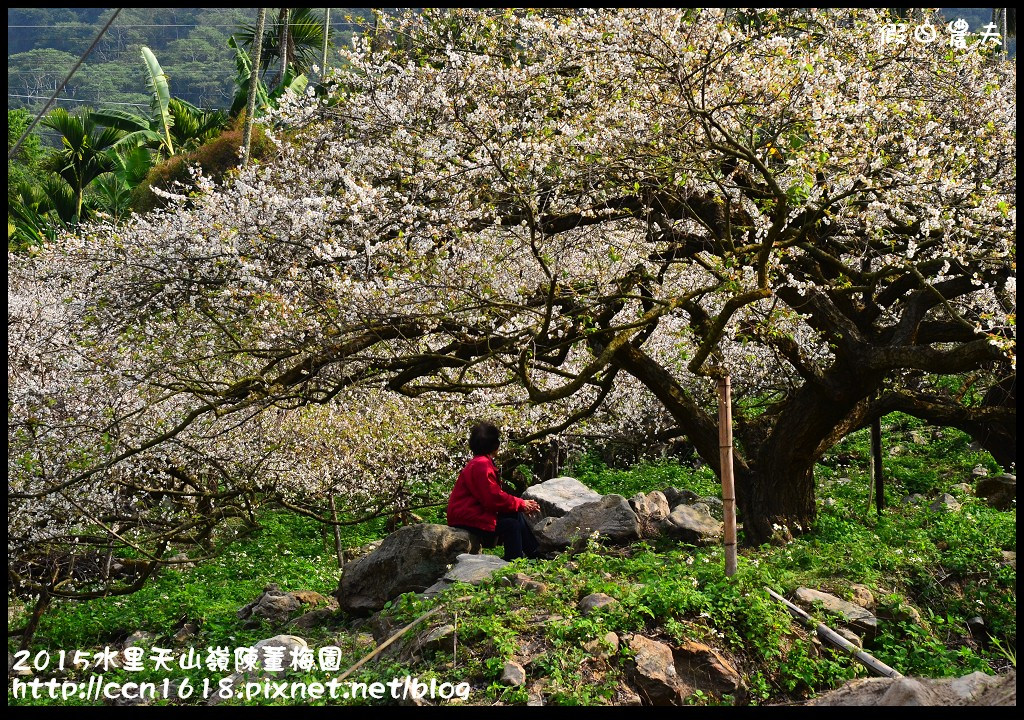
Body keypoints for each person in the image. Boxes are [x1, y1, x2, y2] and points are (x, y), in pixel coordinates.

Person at [447, 422, 542, 560]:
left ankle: (534, 553)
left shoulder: (478, 462)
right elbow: (492, 498)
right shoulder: (482, 465)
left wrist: (520, 505)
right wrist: (521, 503)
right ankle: (514, 562)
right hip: (467, 518)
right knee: (511, 525)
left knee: (515, 514)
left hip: (468, 514)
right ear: (494, 446)